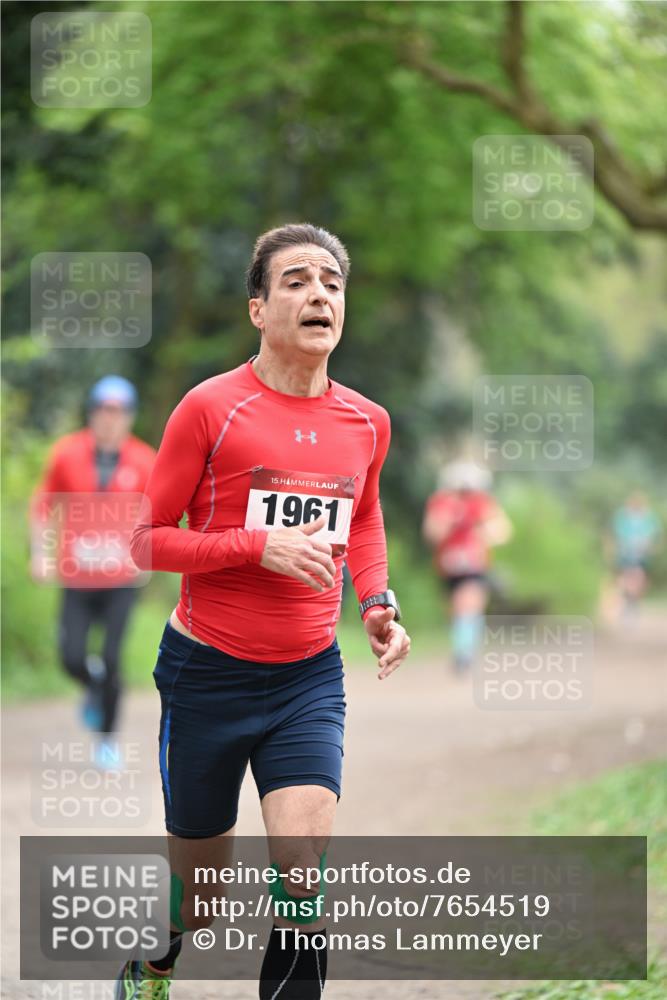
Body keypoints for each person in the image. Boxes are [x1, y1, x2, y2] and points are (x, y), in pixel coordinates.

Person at [118, 223, 410, 999]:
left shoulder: (368, 421)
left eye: (332, 284)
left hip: (307, 676)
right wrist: (255, 545)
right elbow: (146, 541)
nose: (319, 295)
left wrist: (375, 600)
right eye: (296, 281)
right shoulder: (210, 408)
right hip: (206, 674)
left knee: (302, 865)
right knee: (201, 900)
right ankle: (154, 964)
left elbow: (364, 517)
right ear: (257, 308)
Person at [31, 376, 155, 760]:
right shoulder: (66, 453)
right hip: (77, 576)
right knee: (71, 657)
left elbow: (157, 512)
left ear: (130, 416)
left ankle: (106, 740)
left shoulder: (145, 459)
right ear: (92, 412)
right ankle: (91, 683)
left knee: (113, 659)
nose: (109, 418)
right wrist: (41, 554)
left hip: (121, 578)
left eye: (118, 411)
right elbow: (43, 505)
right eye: (103, 409)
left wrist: (147, 556)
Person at [423, 460, 511, 672]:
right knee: (458, 610)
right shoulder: (441, 503)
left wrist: (481, 532)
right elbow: (431, 533)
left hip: (474, 565)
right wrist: (449, 522)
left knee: (470, 604)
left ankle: (464, 654)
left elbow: (502, 530)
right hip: (448, 566)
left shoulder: (482, 503)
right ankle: (465, 648)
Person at [610, 491, 662, 618]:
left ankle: (633, 600)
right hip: (625, 554)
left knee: (639, 577)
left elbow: (654, 533)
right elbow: (616, 533)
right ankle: (627, 599)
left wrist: (648, 546)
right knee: (625, 577)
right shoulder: (622, 516)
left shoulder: (649, 517)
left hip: (641, 555)